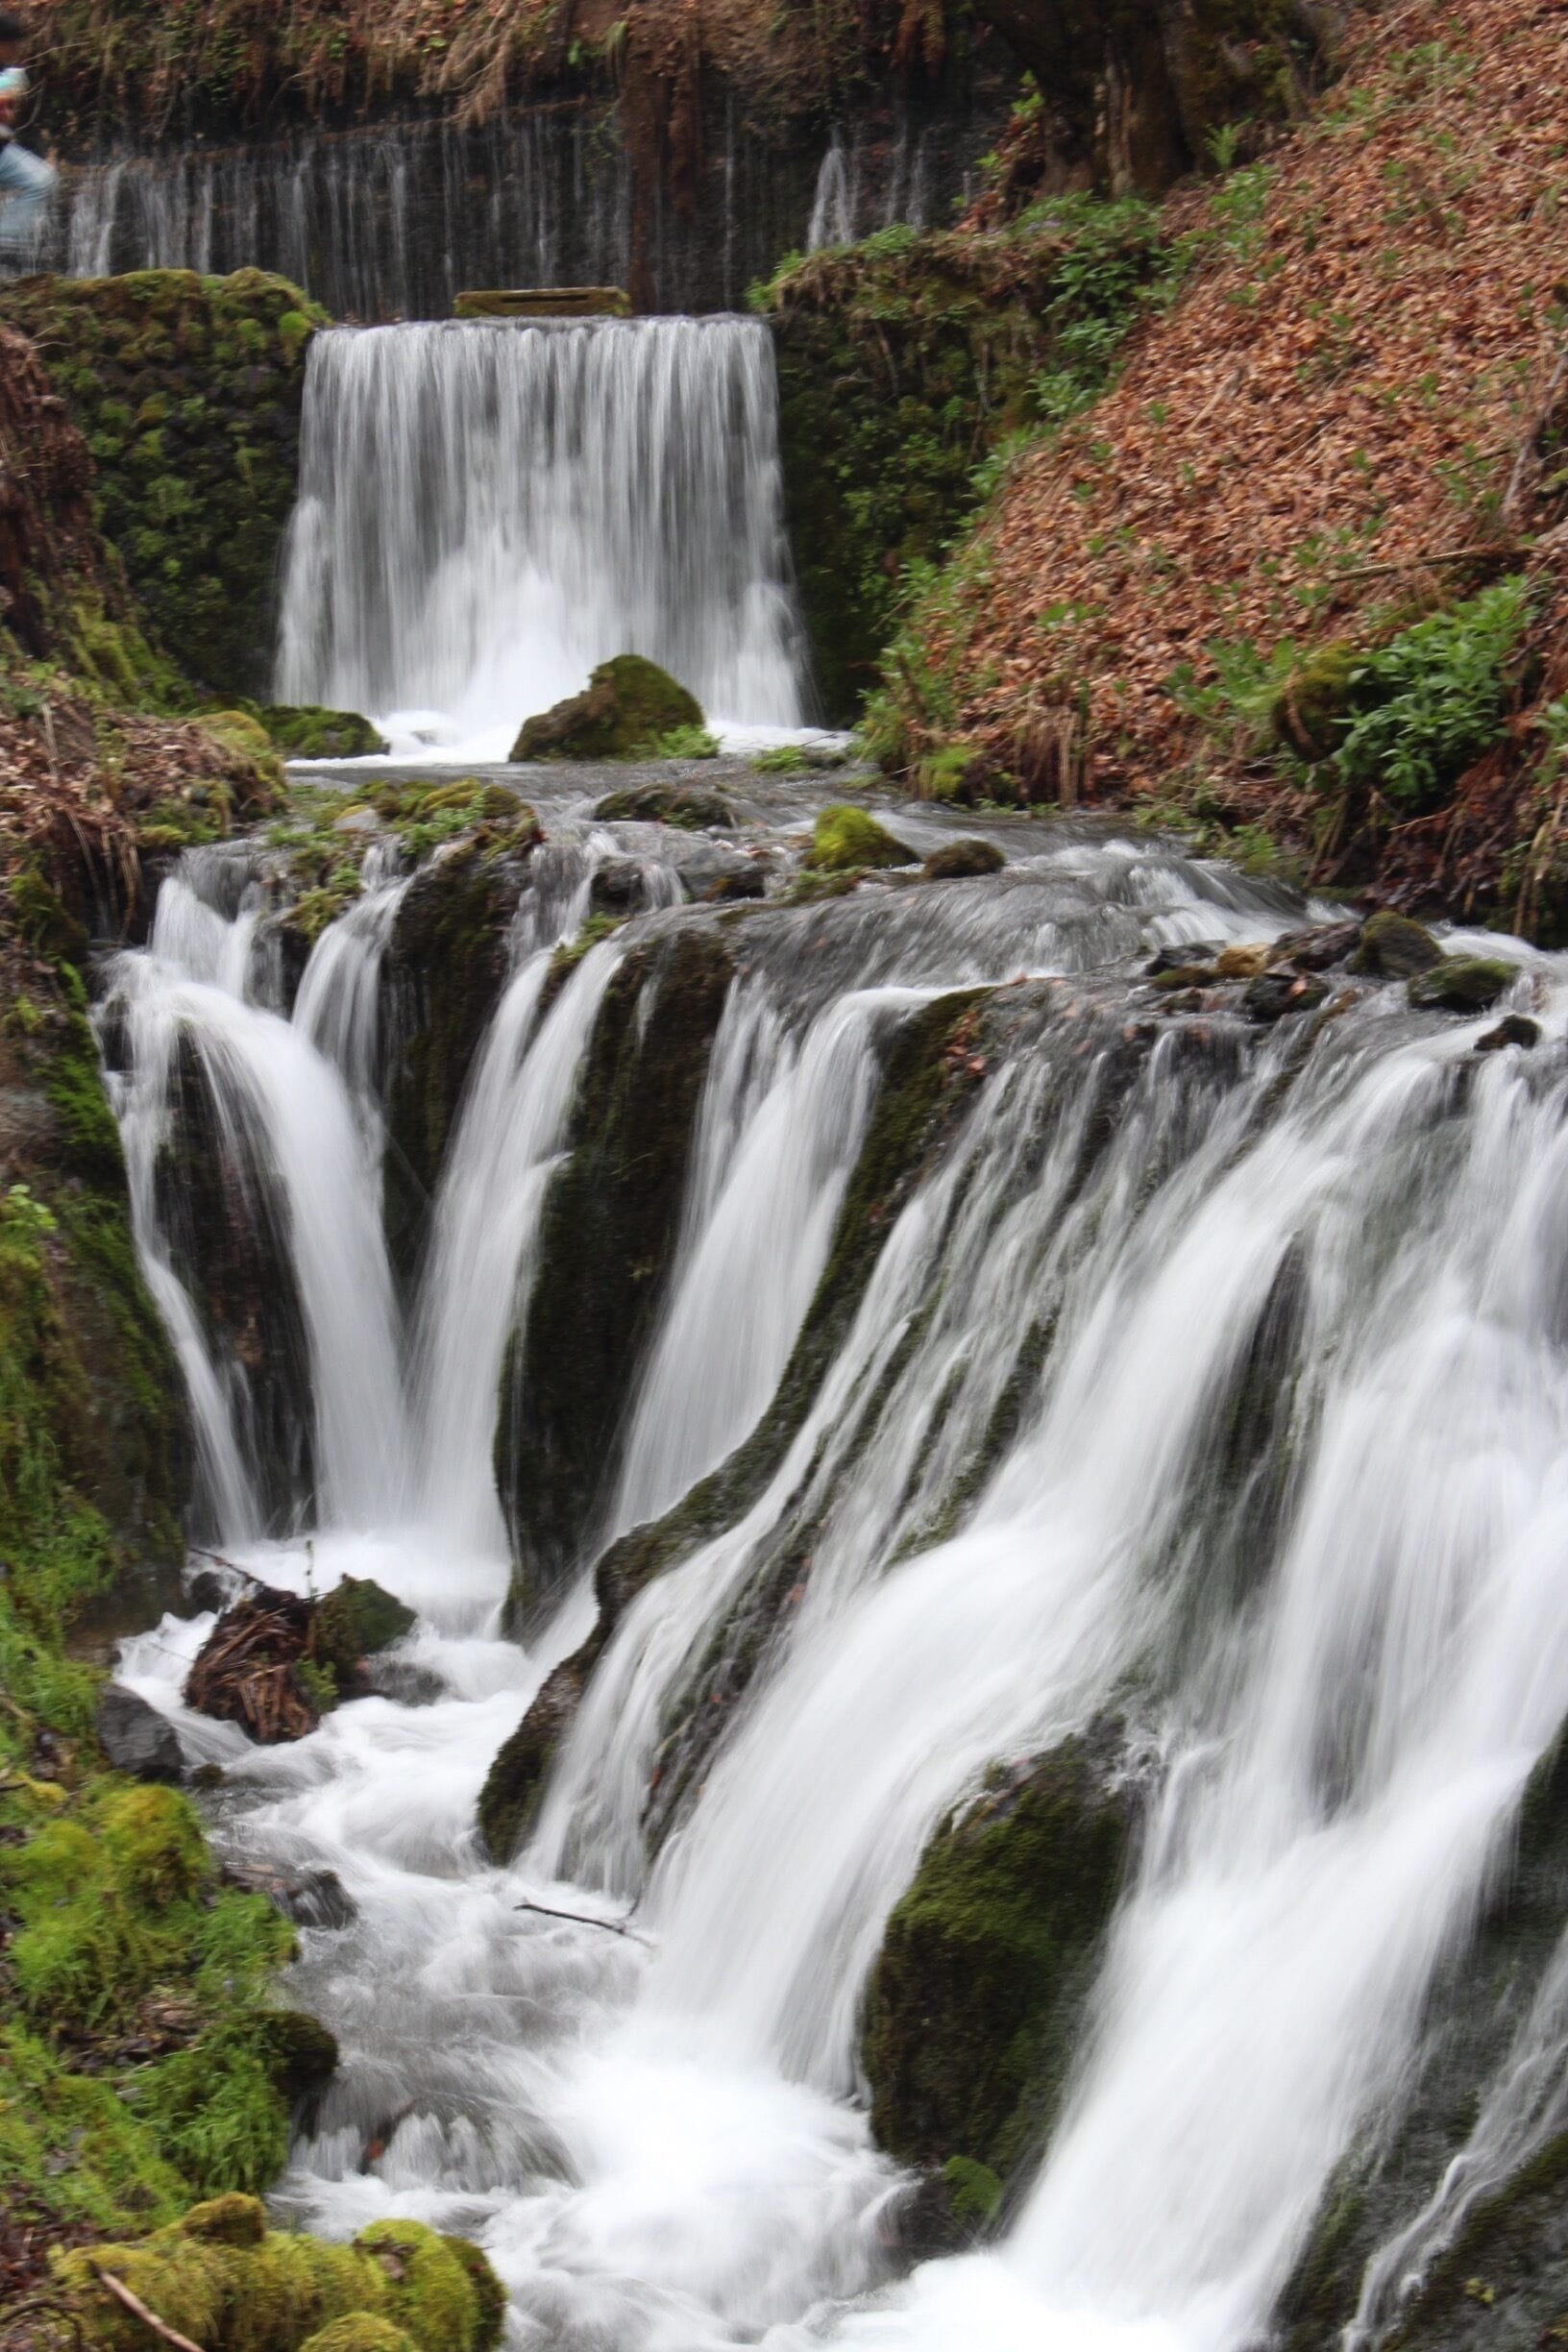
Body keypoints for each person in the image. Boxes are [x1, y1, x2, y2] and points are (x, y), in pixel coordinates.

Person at [0, 11, 56, 265]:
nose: (16, 49)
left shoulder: (10, 73)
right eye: (12, 44)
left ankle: (4, 238)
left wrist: (8, 108)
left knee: (42, 179)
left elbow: (8, 116)